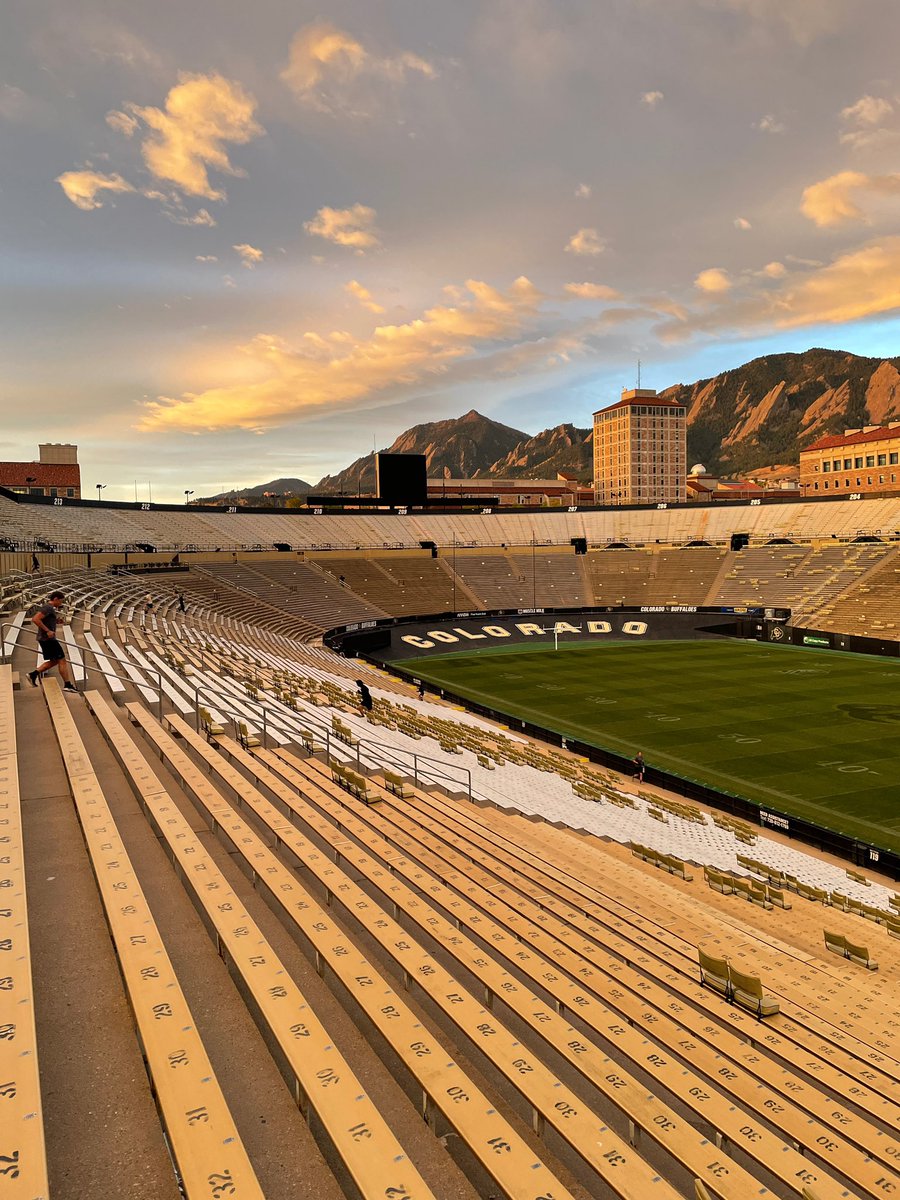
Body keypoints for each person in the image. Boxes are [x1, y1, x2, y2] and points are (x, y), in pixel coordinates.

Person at [29, 591, 77, 691]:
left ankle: (33, 674)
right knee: (62, 660)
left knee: (56, 660)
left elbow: (45, 620)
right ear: (55, 599)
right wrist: (48, 631)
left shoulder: (50, 608)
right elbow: (35, 619)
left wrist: (56, 621)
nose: (61, 603)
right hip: (47, 639)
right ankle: (67, 685)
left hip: (46, 639)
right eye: (61, 601)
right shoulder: (48, 608)